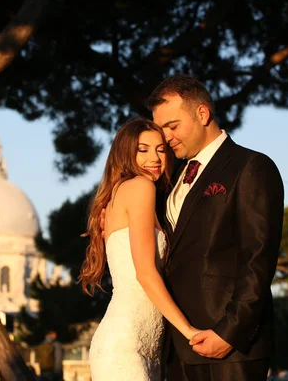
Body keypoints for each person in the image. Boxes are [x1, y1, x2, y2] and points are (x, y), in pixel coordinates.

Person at [148, 74, 284, 381]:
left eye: (172, 126)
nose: (166, 138)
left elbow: (258, 258)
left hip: (230, 348)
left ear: (202, 114)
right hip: (175, 345)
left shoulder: (251, 166)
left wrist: (230, 332)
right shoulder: (171, 180)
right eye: (161, 130)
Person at [81, 118, 200, 381]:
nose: (155, 158)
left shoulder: (123, 193)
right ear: (125, 153)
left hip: (144, 348)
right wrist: (189, 331)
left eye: (160, 149)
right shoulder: (139, 187)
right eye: (142, 149)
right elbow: (145, 274)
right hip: (124, 346)